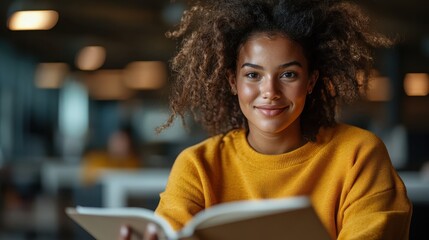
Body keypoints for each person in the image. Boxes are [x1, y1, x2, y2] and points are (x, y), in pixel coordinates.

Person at [120, 0, 412, 239]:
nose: (269, 92)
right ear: (233, 82)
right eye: (252, 75)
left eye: (288, 74)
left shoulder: (358, 156)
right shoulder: (198, 165)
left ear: (311, 81)